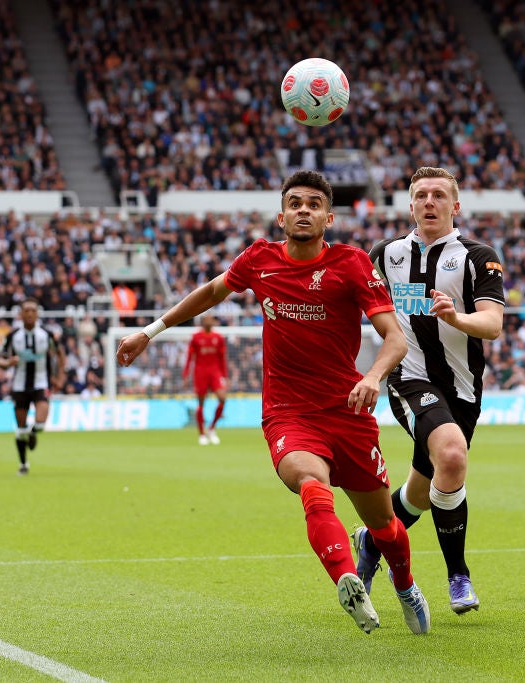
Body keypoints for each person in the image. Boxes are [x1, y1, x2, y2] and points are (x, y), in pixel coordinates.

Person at [115, 170, 431, 635]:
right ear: (281, 215)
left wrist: (373, 376)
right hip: (288, 412)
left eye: (314, 204)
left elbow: (394, 338)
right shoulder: (259, 259)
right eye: (295, 203)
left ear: (329, 216)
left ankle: (404, 584)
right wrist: (150, 331)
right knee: (309, 479)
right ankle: (346, 577)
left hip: (348, 410)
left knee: (383, 524)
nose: (304, 210)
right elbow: (211, 292)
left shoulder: (352, 264)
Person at [357, 166, 505, 615]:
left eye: (439, 195)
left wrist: (457, 318)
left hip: (463, 389)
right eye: (421, 195)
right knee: (453, 455)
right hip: (410, 377)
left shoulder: (478, 256)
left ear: (455, 206)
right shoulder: (384, 254)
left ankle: (371, 539)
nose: (429, 202)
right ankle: (458, 576)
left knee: (423, 492)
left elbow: (493, 325)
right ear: (410, 205)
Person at [0, 299, 65, 475]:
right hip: (19, 386)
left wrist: (60, 376)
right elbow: (0, 361)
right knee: (20, 430)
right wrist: (8, 362)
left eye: (32, 310)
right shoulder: (13, 336)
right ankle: (23, 464)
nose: (29, 314)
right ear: (21, 314)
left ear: (37, 314)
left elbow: (60, 353)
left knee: (41, 423)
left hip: (41, 383)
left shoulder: (46, 335)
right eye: (26, 310)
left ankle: (33, 433)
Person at [183, 314, 228, 445]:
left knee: (222, 399)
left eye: (212, 319)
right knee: (201, 403)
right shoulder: (196, 337)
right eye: (207, 319)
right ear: (202, 322)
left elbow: (222, 358)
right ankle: (202, 434)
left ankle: (211, 428)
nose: (210, 321)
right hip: (200, 372)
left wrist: (225, 376)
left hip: (215, 372)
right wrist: (186, 374)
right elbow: (190, 358)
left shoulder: (218, 338)